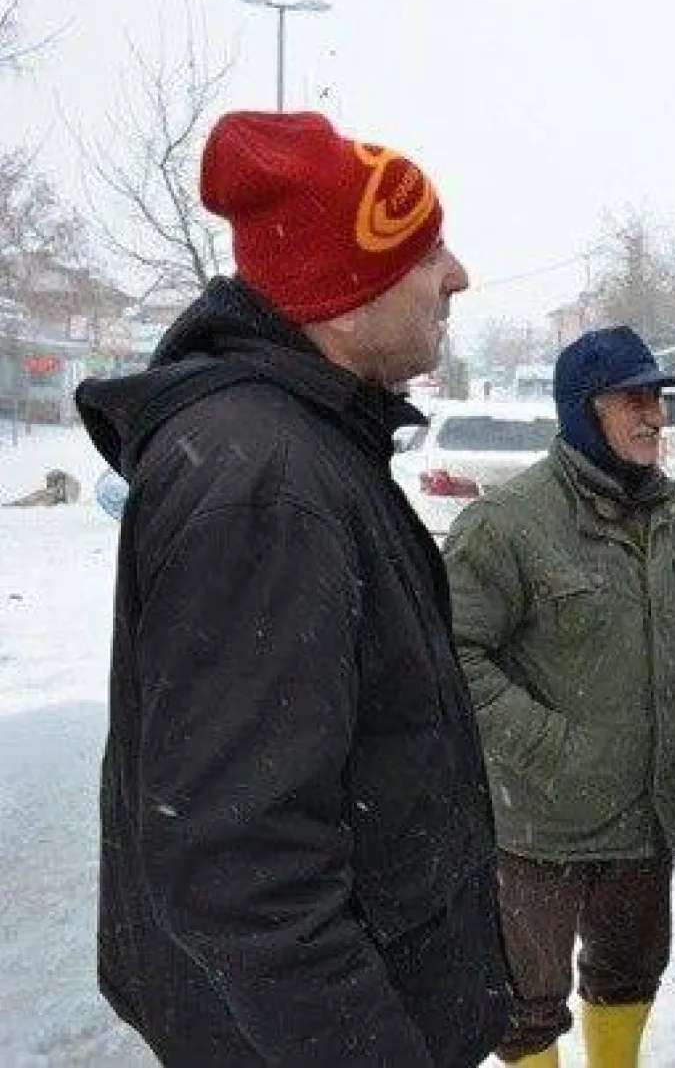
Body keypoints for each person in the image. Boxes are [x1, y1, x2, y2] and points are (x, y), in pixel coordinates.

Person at [72, 111, 508, 1067]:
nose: (458, 274)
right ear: (343, 296)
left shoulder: (307, 445)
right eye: (426, 249)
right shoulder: (266, 481)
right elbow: (242, 866)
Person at [442, 326, 675, 1068]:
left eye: (657, 397)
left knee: (629, 968)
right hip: (541, 823)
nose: (654, 414)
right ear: (581, 409)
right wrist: (548, 747)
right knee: (526, 999)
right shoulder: (509, 523)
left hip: (646, 811)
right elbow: (451, 655)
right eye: (634, 398)